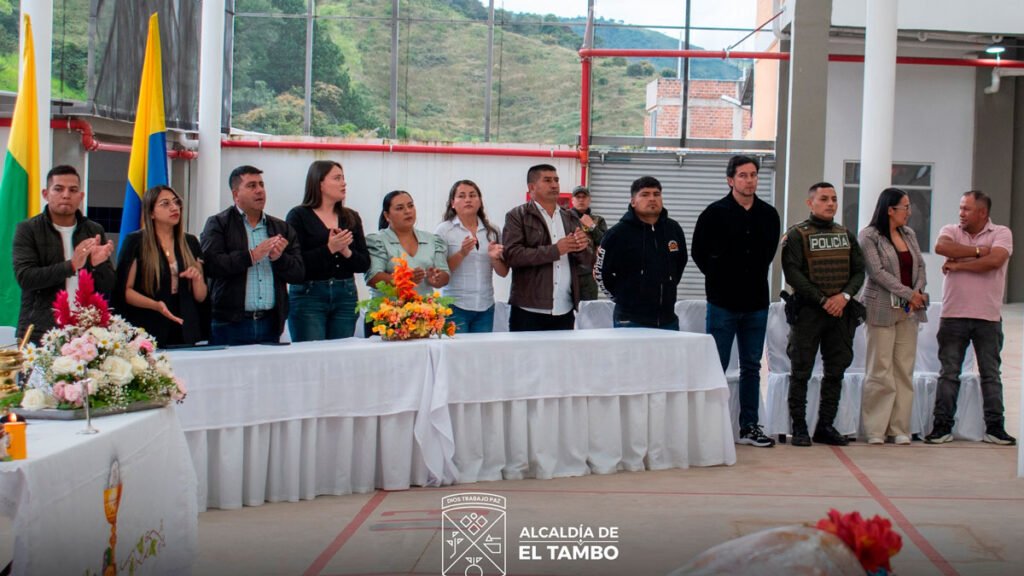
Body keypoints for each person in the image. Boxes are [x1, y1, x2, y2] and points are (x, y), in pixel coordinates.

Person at [691, 155, 781, 448]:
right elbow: (699, 253)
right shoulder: (713, 214)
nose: (749, 180)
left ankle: (749, 426)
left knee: (752, 367)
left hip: (755, 302)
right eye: (743, 175)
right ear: (730, 180)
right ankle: (710, 428)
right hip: (722, 302)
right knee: (716, 364)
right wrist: (721, 278)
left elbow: (767, 254)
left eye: (753, 174)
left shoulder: (768, 214)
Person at [925, 191, 1016, 446]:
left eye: (966, 209)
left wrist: (958, 264)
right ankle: (941, 427)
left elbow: (996, 260)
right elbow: (942, 247)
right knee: (949, 374)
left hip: (988, 317)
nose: (961, 213)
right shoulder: (950, 229)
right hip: (953, 316)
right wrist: (978, 250)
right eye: (961, 208)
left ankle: (995, 428)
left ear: (982, 213)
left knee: (990, 375)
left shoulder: (1001, 233)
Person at [781, 182, 865, 447]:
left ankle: (825, 426)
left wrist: (844, 297)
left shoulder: (846, 234)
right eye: (824, 199)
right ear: (810, 203)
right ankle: (800, 427)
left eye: (834, 199)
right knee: (801, 371)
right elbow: (792, 272)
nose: (831, 204)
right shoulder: (796, 235)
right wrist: (822, 299)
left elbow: (859, 271)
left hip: (840, 312)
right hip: (808, 312)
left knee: (835, 371)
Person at [201, 165, 304, 345]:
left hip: (270, 322)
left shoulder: (281, 228)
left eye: (261, 185)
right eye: (251, 186)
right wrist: (251, 256)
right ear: (235, 195)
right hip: (230, 324)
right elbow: (211, 265)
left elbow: (298, 273)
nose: (259, 191)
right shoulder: (218, 224)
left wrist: (280, 258)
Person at [12, 165, 115, 343]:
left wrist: (98, 266)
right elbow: (26, 278)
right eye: (58, 189)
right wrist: (72, 265)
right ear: (46, 194)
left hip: (85, 331)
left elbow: (108, 286)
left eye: (73, 190)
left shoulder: (94, 230)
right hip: (40, 332)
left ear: (81, 196)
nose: (66, 195)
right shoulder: (28, 229)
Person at [859, 188, 928, 445]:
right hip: (881, 309)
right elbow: (877, 272)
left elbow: (920, 265)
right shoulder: (869, 236)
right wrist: (909, 293)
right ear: (890, 209)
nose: (909, 212)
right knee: (880, 368)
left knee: (903, 369)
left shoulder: (909, 234)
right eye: (905, 207)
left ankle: (899, 427)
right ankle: (876, 428)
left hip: (909, 311)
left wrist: (918, 291)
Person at [285, 160, 370, 342]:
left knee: (340, 355)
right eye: (337, 178)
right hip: (309, 294)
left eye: (343, 178)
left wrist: (346, 251)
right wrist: (329, 249)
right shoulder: (298, 216)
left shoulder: (351, 217)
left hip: (345, 294)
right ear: (320, 183)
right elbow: (296, 264)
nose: (343, 183)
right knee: (311, 355)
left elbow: (364, 263)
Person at [114, 185, 209, 347]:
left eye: (176, 202)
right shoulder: (136, 242)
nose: (174, 207)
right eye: (165, 204)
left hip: (184, 326)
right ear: (151, 213)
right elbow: (125, 291)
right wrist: (156, 305)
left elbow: (201, 297)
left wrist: (197, 279)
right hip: (148, 324)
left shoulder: (190, 242)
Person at [503, 164, 593, 331]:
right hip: (528, 309)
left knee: (561, 358)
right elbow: (512, 256)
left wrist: (581, 248)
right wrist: (555, 250)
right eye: (547, 180)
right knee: (527, 358)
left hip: (565, 308)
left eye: (556, 180)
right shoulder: (517, 216)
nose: (554, 185)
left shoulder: (570, 217)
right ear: (531, 187)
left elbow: (588, 262)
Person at [595, 176, 686, 329]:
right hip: (630, 320)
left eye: (656, 194)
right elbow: (600, 273)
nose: (652, 199)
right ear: (633, 201)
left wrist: (668, 286)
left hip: (668, 319)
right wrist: (622, 298)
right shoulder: (617, 233)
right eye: (645, 194)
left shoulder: (673, 229)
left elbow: (680, 262)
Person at [434, 180, 509, 333]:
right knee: (456, 354)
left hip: (486, 306)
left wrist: (494, 258)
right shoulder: (444, 230)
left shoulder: (493, 230)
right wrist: (461, 253)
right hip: (454, 306)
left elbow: (503, 272)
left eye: (472, 195)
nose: (468, 199)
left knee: (480, 355)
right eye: (461, 196)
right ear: (452, 203)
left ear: (480, 201)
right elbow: (439, 273)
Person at [366, 190, 449, 297]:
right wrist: (405, 279)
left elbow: (445, 276)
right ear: (387, 215)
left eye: (411, 206)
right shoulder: (377, 241)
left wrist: (437, 277)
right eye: (400, 208)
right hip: (386, 310)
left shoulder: (432, 240)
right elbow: (373, 278)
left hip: (423, 310)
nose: (408, 211)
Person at [569, 185, 607, 301]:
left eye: (584, 197)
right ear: (572, 200)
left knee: (587, 311)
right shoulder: (564, 218)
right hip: (568, 271)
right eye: (578, 197)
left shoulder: (598, 220)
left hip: (588, 274)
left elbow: (606, 244)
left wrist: (592, 226)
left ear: (589, 200)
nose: (581, 200)